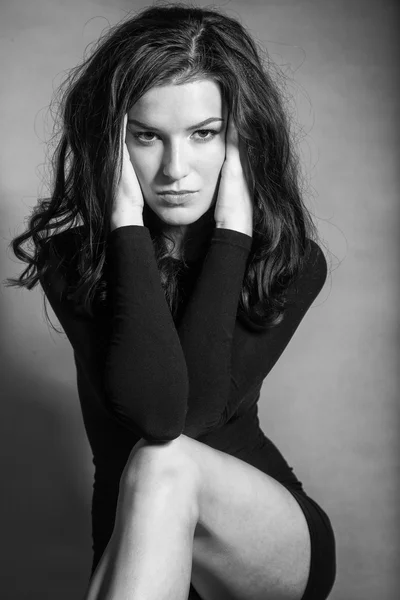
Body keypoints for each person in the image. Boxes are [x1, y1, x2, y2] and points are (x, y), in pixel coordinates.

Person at [5, 4, 336, 599]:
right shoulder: (74, 261)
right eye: (147, 136)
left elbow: (184, 421)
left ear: (241, 137)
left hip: (259, 538)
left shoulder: (288, 260)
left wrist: (234, 233)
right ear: (112, 142)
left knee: (164, 463)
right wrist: (125, 228)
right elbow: (153, 406)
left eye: (203, 134)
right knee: (158, 468)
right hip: (135, 546)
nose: (175, 170)